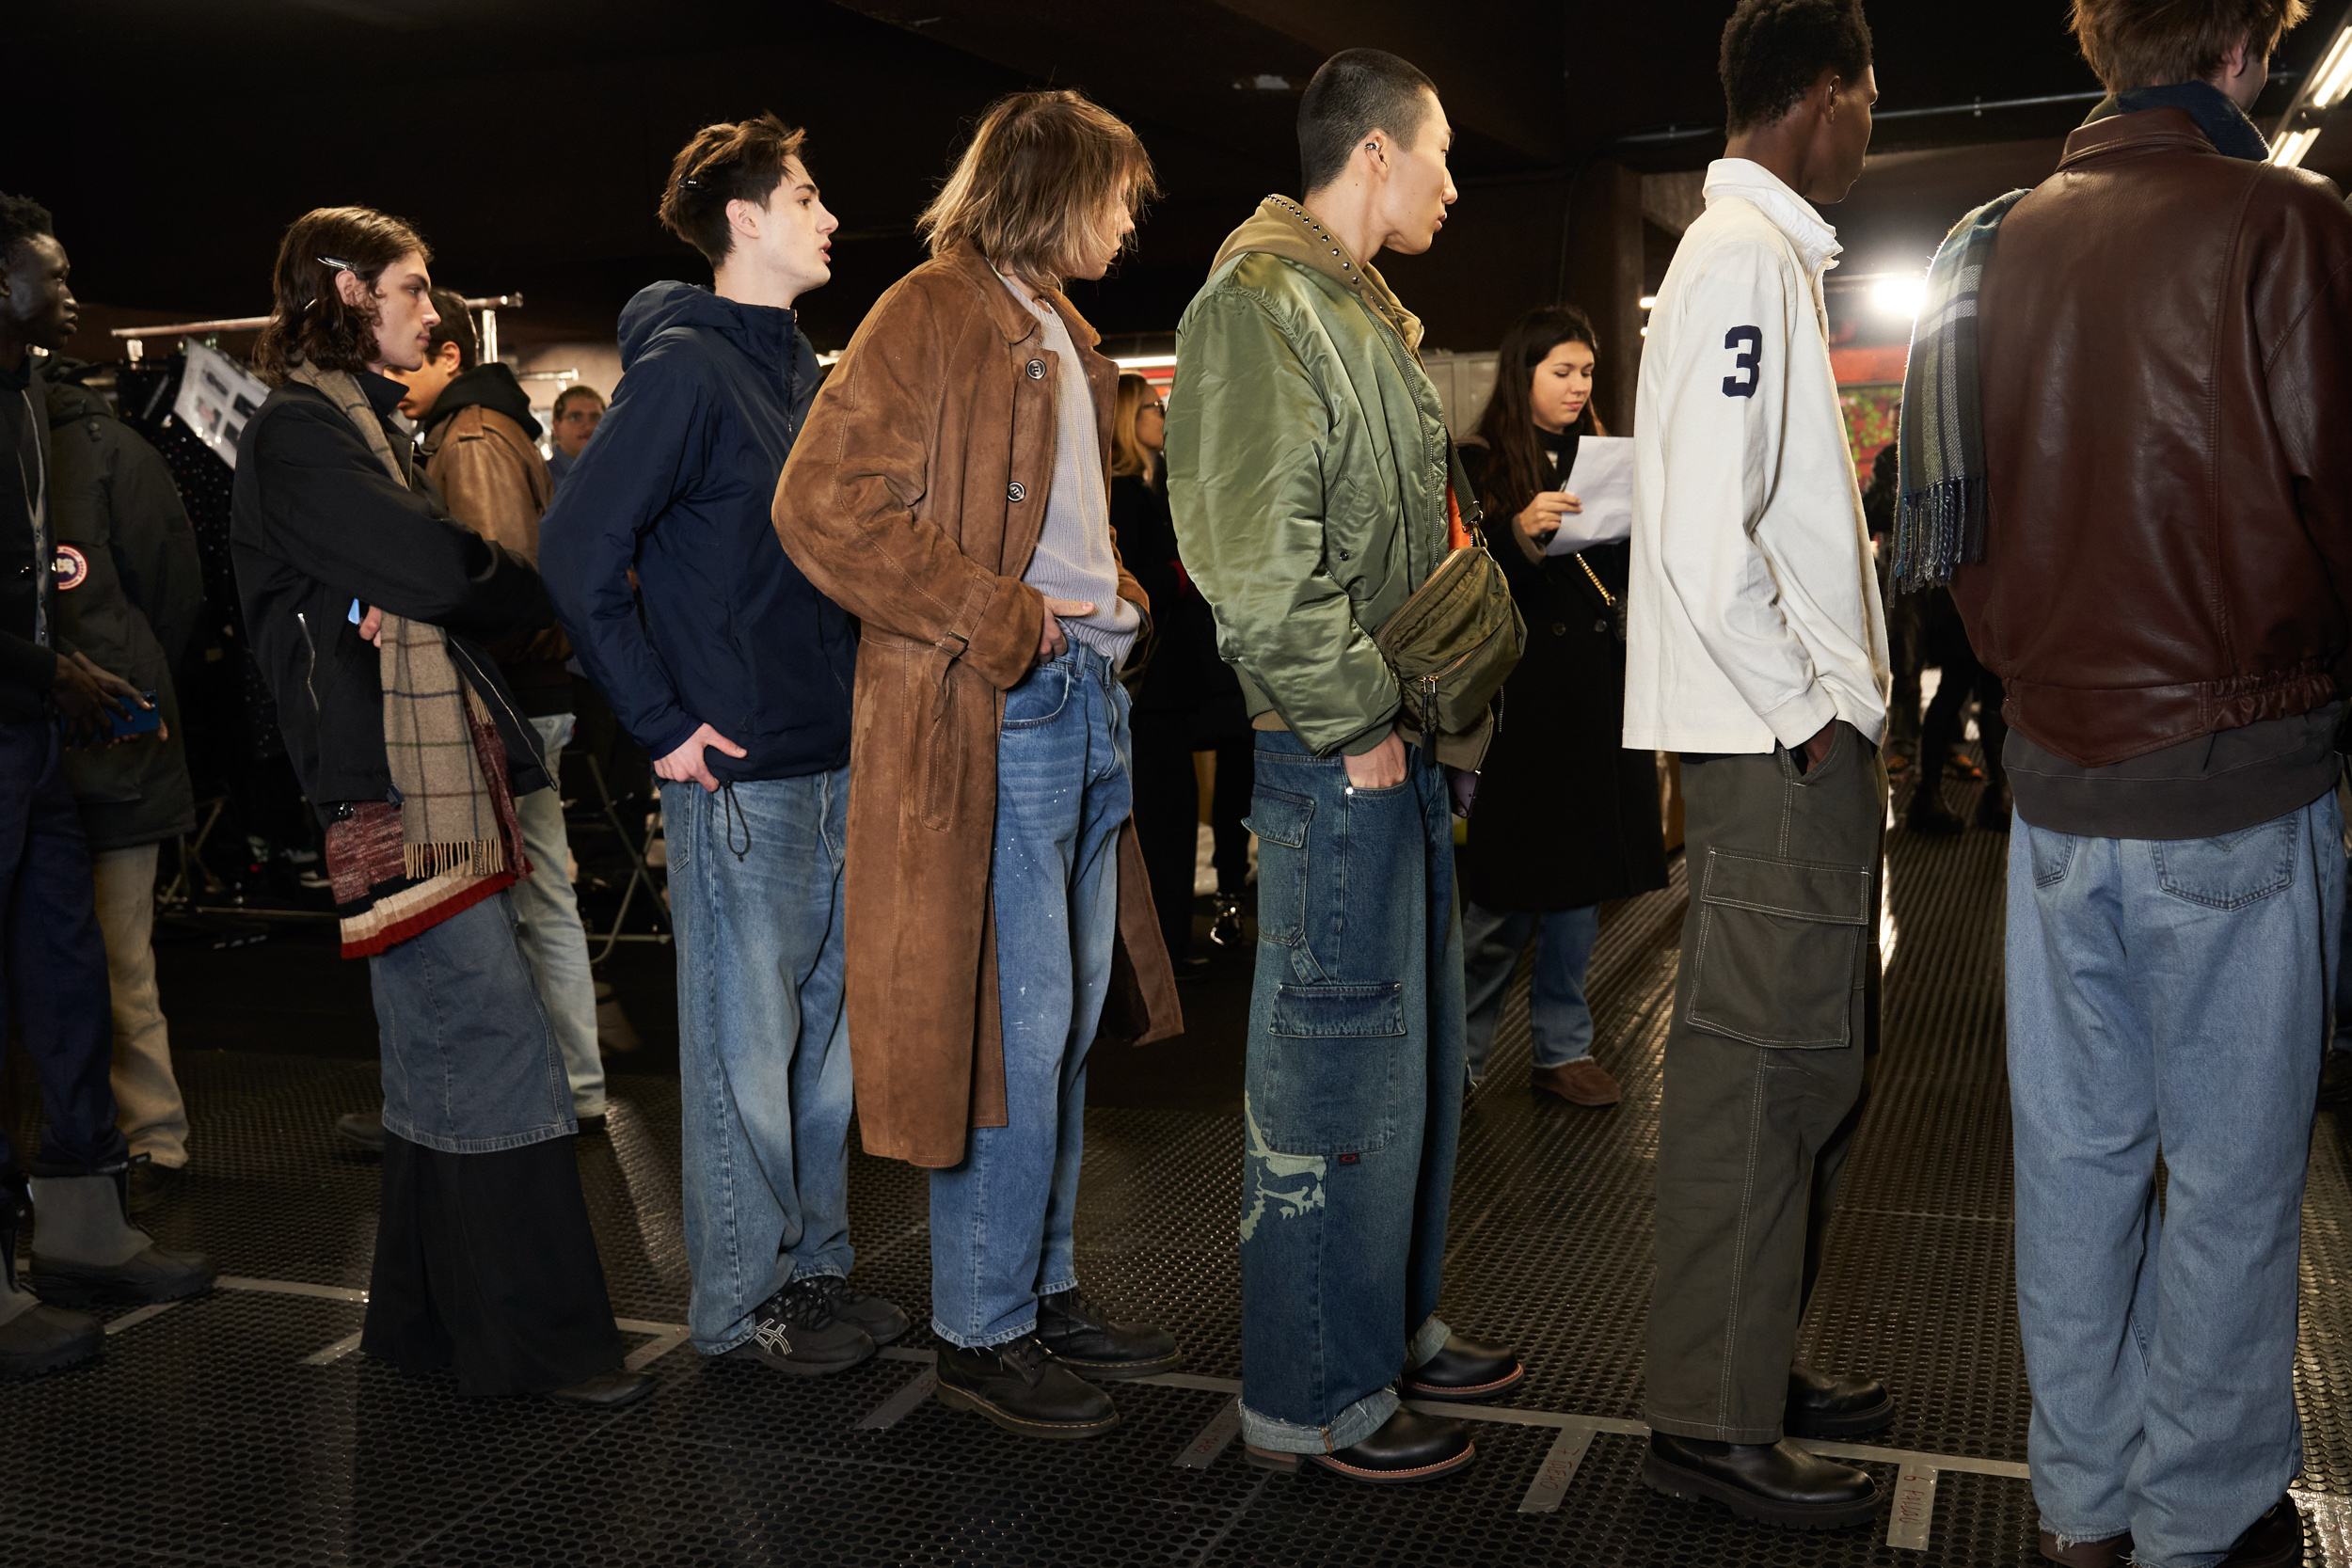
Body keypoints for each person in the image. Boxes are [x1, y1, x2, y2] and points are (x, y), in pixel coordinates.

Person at [1920, 0, 2352, 1560]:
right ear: (2245, 44)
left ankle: (2083, 1498)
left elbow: (1946, 531)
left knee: (2078, 1162)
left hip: (2054, 788)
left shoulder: (1988, 243)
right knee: (2232, 1176)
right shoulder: (2287, 227)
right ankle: (2206, 1512)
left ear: (2104, 44)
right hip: (2241, 771)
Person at [773, 88, 1184, 1440]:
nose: (1129, 217)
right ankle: (983, 1326)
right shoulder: (931, 308)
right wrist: (1008, 620)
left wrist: (1102, 593)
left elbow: (1046, 526)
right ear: (1057, 185)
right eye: (1116, 192)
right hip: (996, 710)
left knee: (1058, 1022)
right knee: (1014, 1026)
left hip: (1075, 699)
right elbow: (821, 505)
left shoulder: (1052, 327)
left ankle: (1038, 1286)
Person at [1167, 47, 1524, 1483]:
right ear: (1373, 155)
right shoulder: (1258, 308)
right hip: (1339, 756)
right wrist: (1362, 722)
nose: (1450, 181)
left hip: (1390, 743)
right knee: (1332, 1079)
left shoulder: (1348, 308)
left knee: (1408, 1066)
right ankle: (1311, 1393)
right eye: (1438, 154)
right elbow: (1252, 565)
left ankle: (1389, 1323)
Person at [232, 205, 643, 1407]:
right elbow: (431, 564)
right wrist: (531, 581)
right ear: (347, 289)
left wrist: (454, 579)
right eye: (413, 286)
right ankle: (535, 1344)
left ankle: (419, 1328)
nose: (434, 307)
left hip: (403, 775)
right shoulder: (311, 433)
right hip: (392, 784)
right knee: (494, 1046)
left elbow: (415, 567)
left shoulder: (349, 425)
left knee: (435, 1058)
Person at [542, 117, 907, 1379]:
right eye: (806, 194)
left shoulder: (798, 373)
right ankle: (743, 1299)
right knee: (744, 1055)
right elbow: (577, 552)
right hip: (741, 773)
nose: (827, 216)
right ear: (744, 219)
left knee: (818, 1048)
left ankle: (810, 1273)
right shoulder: (691, 370)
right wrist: (661, 720)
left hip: (829, 756)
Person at [1621, 0, 1893, 1528]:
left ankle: (1755, 1365)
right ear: (1820, 97)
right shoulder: (1736, 265)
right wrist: (1808, 712)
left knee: (1813, 1064)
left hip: (1783, 739)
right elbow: (1711, 532)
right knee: (1758, 1072)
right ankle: (1710, 1419)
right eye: (1868, 97)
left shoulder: (1758, 260)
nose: (1874, 126)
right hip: (1768, 742)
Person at [0, 190, 213, 1380]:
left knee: (68, 974)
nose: (72, 288)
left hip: (35, 740)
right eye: (52, 271)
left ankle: (82, 1224)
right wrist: (46, 668)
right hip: (19, 720)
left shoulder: (33, 403)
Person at [389, 289, 605, 1132]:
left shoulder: (471, 436)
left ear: (449, 355)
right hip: (528, 691)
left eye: (409, 356)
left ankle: (563, 1088)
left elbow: (499, 581)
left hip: (508, 696)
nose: (394, 376)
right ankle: (573, 1083)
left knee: (528, 898)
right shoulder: (479, 428)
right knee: (541, 892)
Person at [1456, 305, 1667, 1106]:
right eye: (1561, 371)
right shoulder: (1479, 463)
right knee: (1505, 898)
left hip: (1593, 698)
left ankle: (1563, 1049)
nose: (1579, 386)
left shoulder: (1605, 455)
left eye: (1586, 371)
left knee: (1581, 890)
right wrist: (1516, 534)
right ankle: (1463, 1057)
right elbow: (1455, 580)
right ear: (1524, 375)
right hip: (1519, 707)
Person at [41, 355, 206, 1214]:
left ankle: (152, 1137)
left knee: (117, 958)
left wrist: (130, 685)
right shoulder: (79, 445)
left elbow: (173, 594)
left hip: (108, 741)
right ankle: (129, 1139)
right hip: (68, 742)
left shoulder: (107, 449)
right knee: (104, 960)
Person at [1109, 372, 1208, 969]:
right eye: (1151, 408)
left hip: (1165, 682)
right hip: (1150, 684)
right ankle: (1160, 954)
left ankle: (1166, 948)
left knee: (1169, 815)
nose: (1162, 418)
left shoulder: (1149, 487)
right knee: (1161, 817)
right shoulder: (1125, 493)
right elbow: (1140, 583)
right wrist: (1186, 575)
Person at [546, 384, 602, 485]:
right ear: (557, 427)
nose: (589, 427)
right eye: (575, 418)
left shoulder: (618, 475)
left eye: (595, 417)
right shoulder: (541, 479)